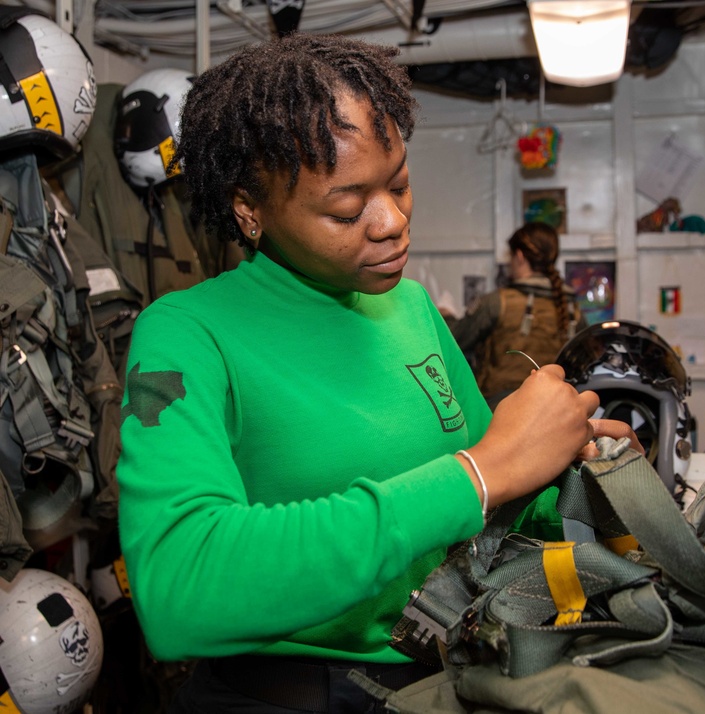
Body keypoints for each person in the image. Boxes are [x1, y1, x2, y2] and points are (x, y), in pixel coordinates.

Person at [115, 33, 637, 714]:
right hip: (292, 697)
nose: (392, 222)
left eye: (399, 183)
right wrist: (475, 476)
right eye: (345, 207)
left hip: (449, 675)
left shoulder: (412, 308)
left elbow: (498, 502)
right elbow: (182, 585)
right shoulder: (186, 335)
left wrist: (580, 474)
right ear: (250, 208)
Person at [446, 221, 586, 408]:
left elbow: (454, 340)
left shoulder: (498, 302)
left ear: (519, 256)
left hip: (501, 411)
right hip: (554, 411)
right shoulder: (573, 311)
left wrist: (444, 315)